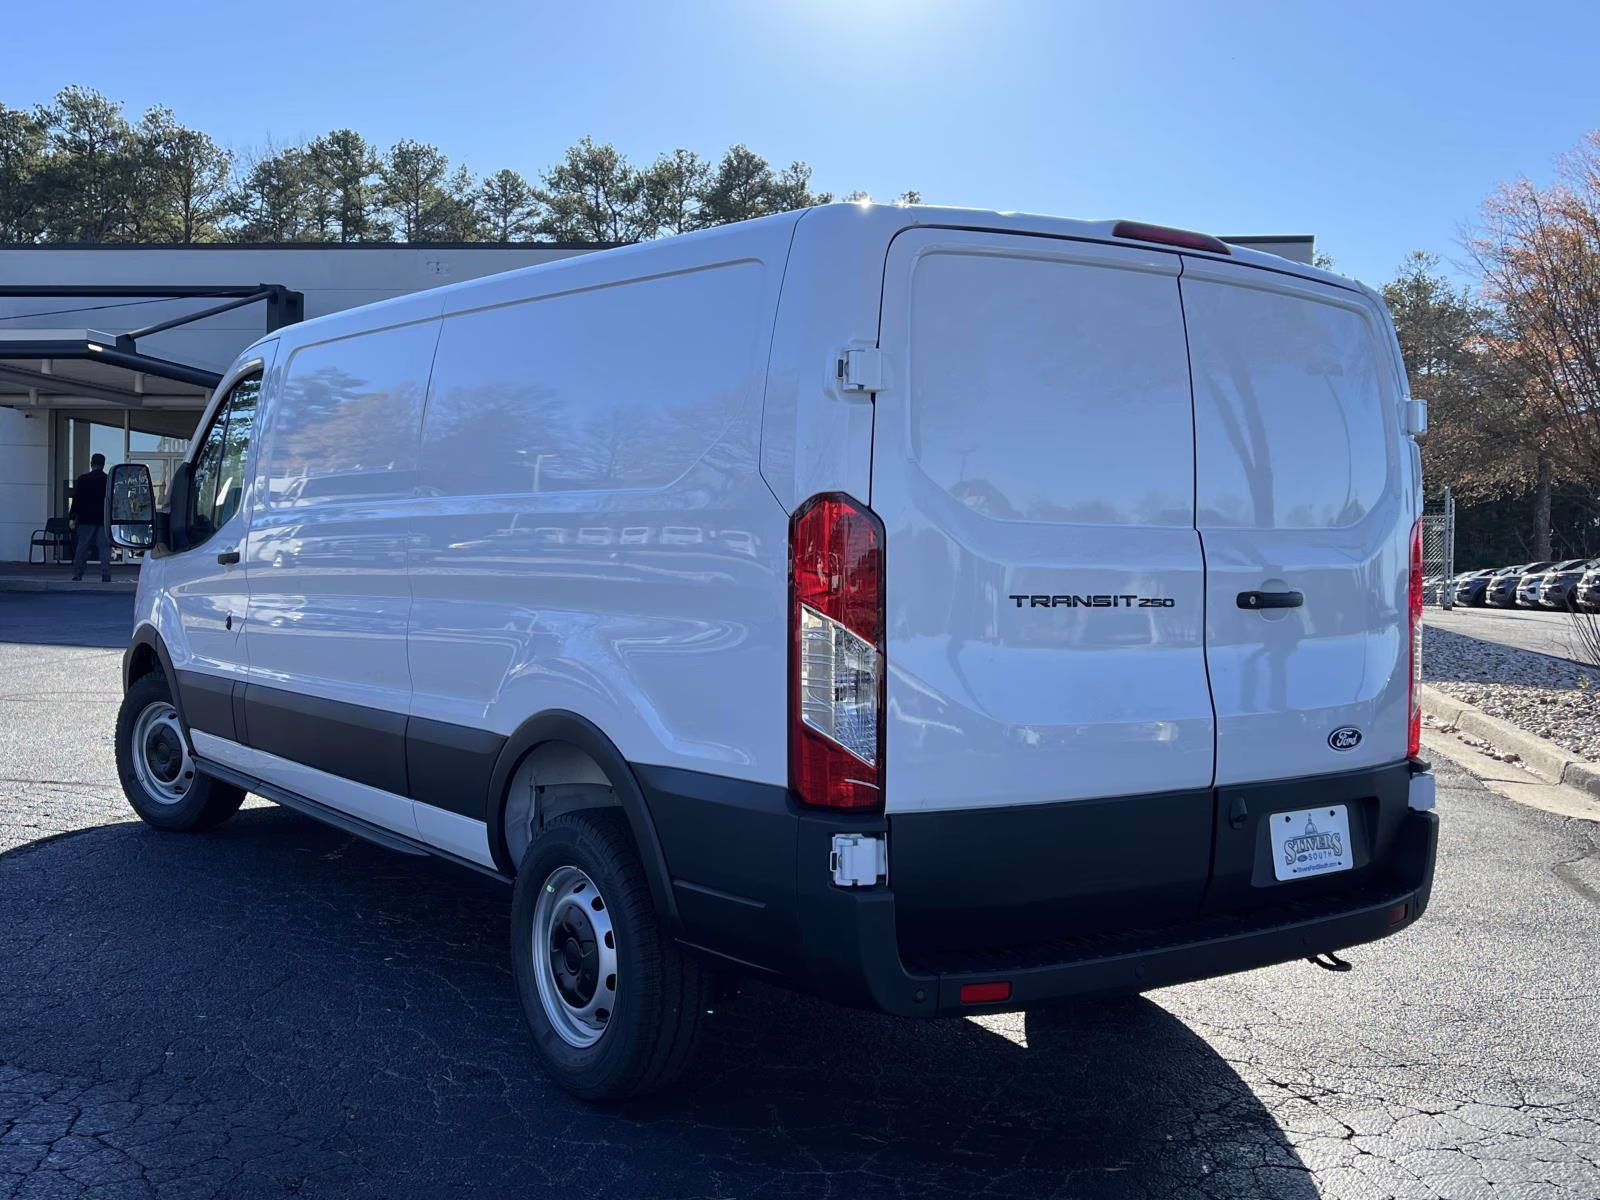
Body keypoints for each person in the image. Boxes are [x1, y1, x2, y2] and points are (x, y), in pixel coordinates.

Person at [70, 453, 112, 583]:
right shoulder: (108, 480)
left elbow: (77, 499)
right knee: (104, 548)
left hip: (85, 519)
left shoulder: (83, 479)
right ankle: (106, 575)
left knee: (82, 546)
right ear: (103, 464)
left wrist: (72, 517)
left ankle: (78, 574)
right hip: (102, 519)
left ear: (91, 463)